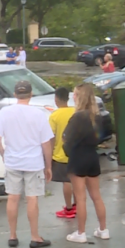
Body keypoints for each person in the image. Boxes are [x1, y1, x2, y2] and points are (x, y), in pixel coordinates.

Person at [0, 80, 54, 248]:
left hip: (13, 161)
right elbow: (46, 144)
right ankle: (35, 237)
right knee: (31, 198)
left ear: (14, 95)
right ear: (31, 94)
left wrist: (4, 154)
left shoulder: (5, 113)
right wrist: (48, 165)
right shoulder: (38, 114)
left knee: (12, 197)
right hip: (33, 162)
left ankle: (12, 235)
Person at [64, 83, 109, 244]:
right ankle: (103, 229)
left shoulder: (77, 117)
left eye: (75, 94)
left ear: (79, 97)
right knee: (96, 196)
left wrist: (67, 152)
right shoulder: (96, 116)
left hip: (78, 156)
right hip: (92, 156)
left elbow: (67, 139)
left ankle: (81, 232)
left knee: (80, 197)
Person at [49, 87, 77, 218]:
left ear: (56, 99)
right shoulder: (75, 111)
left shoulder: (54, 115)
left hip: (61, 154)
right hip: (77, 152)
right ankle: (78, 205)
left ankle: (69, 208)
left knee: (67, 181)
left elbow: (51, 136)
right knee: (77, 180)